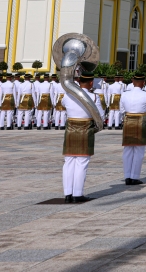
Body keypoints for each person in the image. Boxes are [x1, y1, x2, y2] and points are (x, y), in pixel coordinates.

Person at [61, 69, 104, 203]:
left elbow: (63, 105)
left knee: (68, 162)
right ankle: (77, 193)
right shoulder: (94, 97)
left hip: (71, 129)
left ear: (79, 81)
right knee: (81, 162)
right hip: (85, 129)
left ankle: (68, 193)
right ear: (91, 82)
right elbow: (100, 116)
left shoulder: (68, 95)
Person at [119, 71, 146, 185]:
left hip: (128, 120)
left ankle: (127, 176)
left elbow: (121, 110)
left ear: (133, 82)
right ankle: (134, 176)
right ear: (143, 83)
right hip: (140, 121)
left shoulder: (124, 94)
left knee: (127, 150)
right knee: (139, 151)